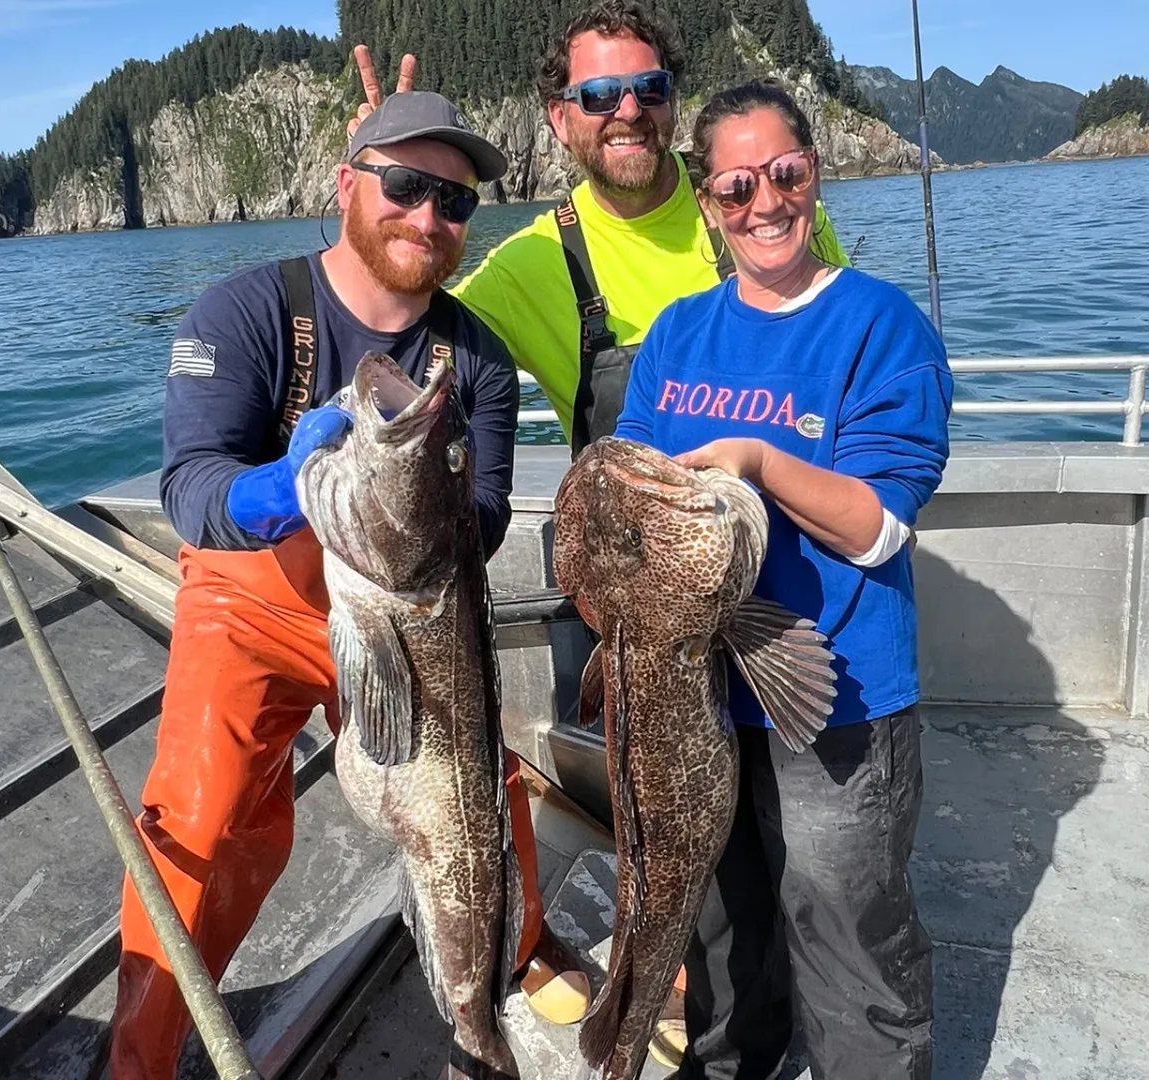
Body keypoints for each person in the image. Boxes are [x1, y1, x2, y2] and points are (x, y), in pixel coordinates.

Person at [346, 1, 852, 1053]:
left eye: (648, 89)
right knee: (682, 850)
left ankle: (797, 1012)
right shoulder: (535, 263)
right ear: (559, 118)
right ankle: (710, 1033)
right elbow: (400, 314)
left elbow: (835, 347)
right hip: (637, 606)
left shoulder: (750, 207)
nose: (626, 110)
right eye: (597, 94)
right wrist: (382, 182)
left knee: (807, 842)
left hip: (780, 579)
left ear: (672, 99)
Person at [101, 91, 525, 1080]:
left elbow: (489, 520)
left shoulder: (481, 362)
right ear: (347, 186)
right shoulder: (243, 311)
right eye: (407, 187)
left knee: (485, 807)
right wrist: (281, 492)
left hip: (407, 601)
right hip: (253, 602)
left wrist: (398, 489)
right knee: (202, 823)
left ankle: (487, 1012)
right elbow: (189, 486)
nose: (429, 218)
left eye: (454, 203)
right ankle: (137, 1059)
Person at [612, 80, 953, 1080]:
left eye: (786, 174)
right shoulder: (676, 332)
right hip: (700, 693)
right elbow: (633, 479)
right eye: (734, 185)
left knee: (848, 929)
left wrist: (758, 461)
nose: (764, 203)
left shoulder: (881, 326)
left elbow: (880, 526)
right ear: (707, 200)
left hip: (835, 690)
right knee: (721, 923)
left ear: (815, 173)